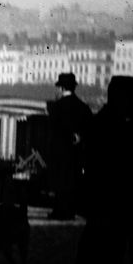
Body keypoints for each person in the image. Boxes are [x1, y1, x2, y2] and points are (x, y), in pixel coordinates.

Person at [72, 75, 133, 264]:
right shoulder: (128, 127)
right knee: (111, 258)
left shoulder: (102, 123)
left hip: (105, 201)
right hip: (118, 202)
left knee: (100, 255)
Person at [46, 71, 92, 220]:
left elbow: (52, 129)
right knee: (72, 181)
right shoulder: (83, 107)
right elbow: (88, 129)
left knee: (60, 182)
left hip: (59, 151)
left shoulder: (56, 107)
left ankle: (59, 211)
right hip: (75, 152)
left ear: (61, 88)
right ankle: (70, 211)